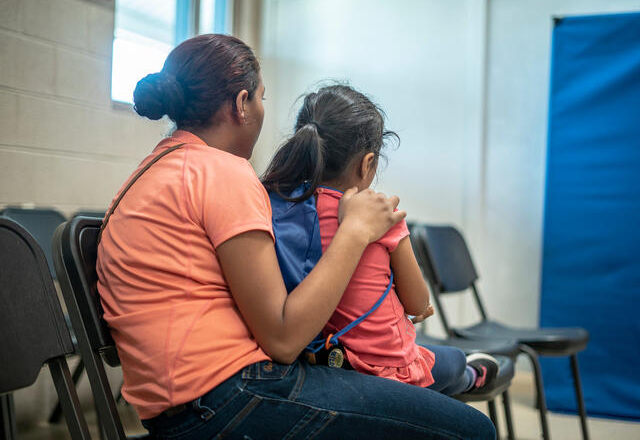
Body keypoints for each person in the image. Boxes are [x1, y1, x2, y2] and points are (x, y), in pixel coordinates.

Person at [96, 34, 496, 439]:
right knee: (474, 430)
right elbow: (284, 339)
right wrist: (354, 231)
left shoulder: (150, 171)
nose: (261, 109)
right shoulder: (222, 172)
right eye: (261, 98)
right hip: (226, 398)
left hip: (181, 402)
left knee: (431, 379)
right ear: (241, 104)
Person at [262, 84, 499, 397]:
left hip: (321, 359)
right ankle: (469, 375)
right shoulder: (381, 216)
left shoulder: (280, 207)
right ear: (367, 163)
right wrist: (418, 303)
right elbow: (417, 303)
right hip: (381, 367)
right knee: (451, 361)